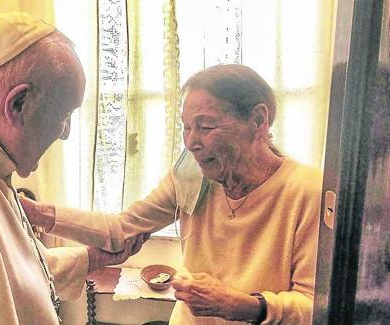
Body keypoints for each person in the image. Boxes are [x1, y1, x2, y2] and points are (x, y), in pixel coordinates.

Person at [20, 64, 323, 324]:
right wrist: (38, 214)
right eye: (186, 128)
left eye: (205, 126)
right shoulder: (192, 173)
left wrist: (248, 306)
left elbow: (316, 308)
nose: (192, 142)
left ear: (258, 121)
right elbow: (121, 229)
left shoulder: (309, 191)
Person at [0, 12, 148, 325]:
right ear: (18, 104)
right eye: (64, 114)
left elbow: (14, 276)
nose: (65, 132)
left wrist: (92, 259)